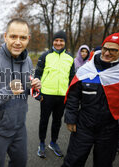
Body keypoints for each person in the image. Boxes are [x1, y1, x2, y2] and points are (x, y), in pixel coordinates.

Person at [0, 18, 41, 167]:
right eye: (13, 37)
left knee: (20, 163)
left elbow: (25, 87)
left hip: (19, 127)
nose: (18, 42)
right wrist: (8, 90)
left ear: (28, 39)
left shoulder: (27, 61)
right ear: (5, 36)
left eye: (23, 38)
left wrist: (34, 86)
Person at [62, 33, 119, 167]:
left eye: (113, 50)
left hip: (109, 129)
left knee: (104, 164)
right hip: (83, 126)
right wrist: (70, 118)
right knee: (72, 162)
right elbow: (73, 96)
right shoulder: (86, 69)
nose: (107, 53)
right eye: (105, 48)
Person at [35, 30, 75, 158]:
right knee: (44, 121)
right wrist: (38, 93)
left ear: (64, 42)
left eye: (61, 41)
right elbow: (37, 76)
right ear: (53, 41)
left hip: (62, 96)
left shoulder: (70, 58)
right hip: (46, 95)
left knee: (57, 121)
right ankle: (41, 143)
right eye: (56, 40)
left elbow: (72, 78)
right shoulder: (45, 56)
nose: (58, 43)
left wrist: (70, 95)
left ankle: (53, 142)